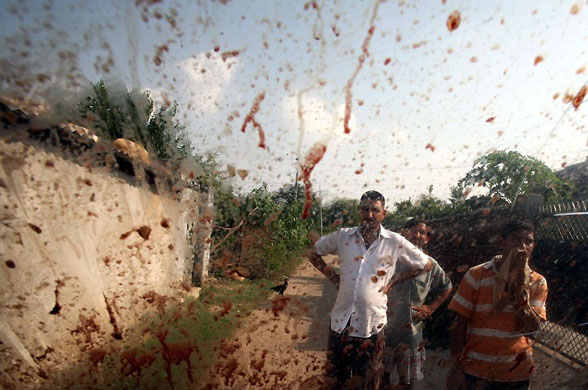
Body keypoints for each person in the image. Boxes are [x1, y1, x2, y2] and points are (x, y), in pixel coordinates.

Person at [307, 191, 433, 389]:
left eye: (375, 210)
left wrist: (395, 280)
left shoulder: (394, 242)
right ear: (359, 211)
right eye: (365, 209)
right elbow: (313, 252)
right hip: (341, 323)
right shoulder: (343, 237)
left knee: (367, 380)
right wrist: (332, 276)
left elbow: (426, 265)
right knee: (334, 380)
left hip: (372, 327)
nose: (370, 214)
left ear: (384, 213)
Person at [446, 219, 548, 390]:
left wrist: (519, 293)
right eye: (516, 239)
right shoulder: (477, 275)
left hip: (516, 373)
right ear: (502, 242)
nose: (522, 246)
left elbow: (531, 329)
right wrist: (456, 367)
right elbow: (459, 324)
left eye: (528, 241)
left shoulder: (538, 282)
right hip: (475, 370)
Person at [383, 219, 453, 390]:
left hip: (412, 336)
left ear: (427, 239)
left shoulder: (431, 265)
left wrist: (431, 307)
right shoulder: (388, 259)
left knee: (407, 382)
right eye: (413, 230)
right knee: (380, 379)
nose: (417, 235)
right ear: (403, 234)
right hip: (383, 333)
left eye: (422, 232)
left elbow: (447, 287)